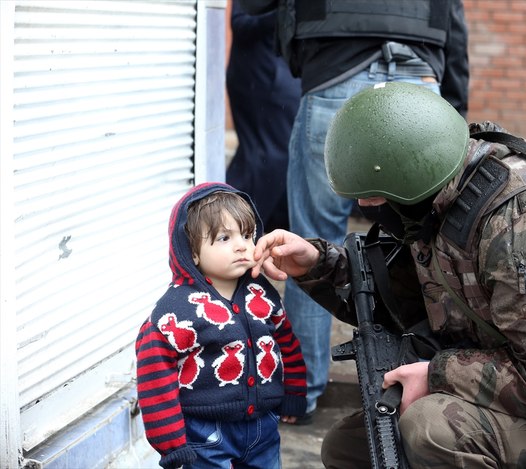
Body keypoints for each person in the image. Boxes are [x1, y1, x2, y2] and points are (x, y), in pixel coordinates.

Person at [252, 82, 526, 468]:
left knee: (432, 429)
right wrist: (316, 264)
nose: (365, 205)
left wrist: (438, 375)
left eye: (375, 196)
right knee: (350, 448)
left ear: (408, 178)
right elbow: (402, 301)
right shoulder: (445, 198)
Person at [239, 0, 470, 423]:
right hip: (419, 79)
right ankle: (418, 381)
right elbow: (451, 18)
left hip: (333, 72)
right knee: (426, 240)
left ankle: (300, 393)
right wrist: (455, 111)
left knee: (308, 239)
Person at [134, 182, 307, 469]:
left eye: (248, 234)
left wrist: (294, 393)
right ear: (192, 253)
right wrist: (172, 445)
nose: (242, 245)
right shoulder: (175, 313)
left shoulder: (262, 293)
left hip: (263, 427)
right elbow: (155, 379)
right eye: (224, 238)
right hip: (204, 433)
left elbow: (286, 344)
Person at [225, 1, 301, 231]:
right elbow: (241, 24)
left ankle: (264, 237)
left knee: (284, 159)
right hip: (260, 79)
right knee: (267, 156)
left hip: (287, 77)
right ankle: (230, 228)